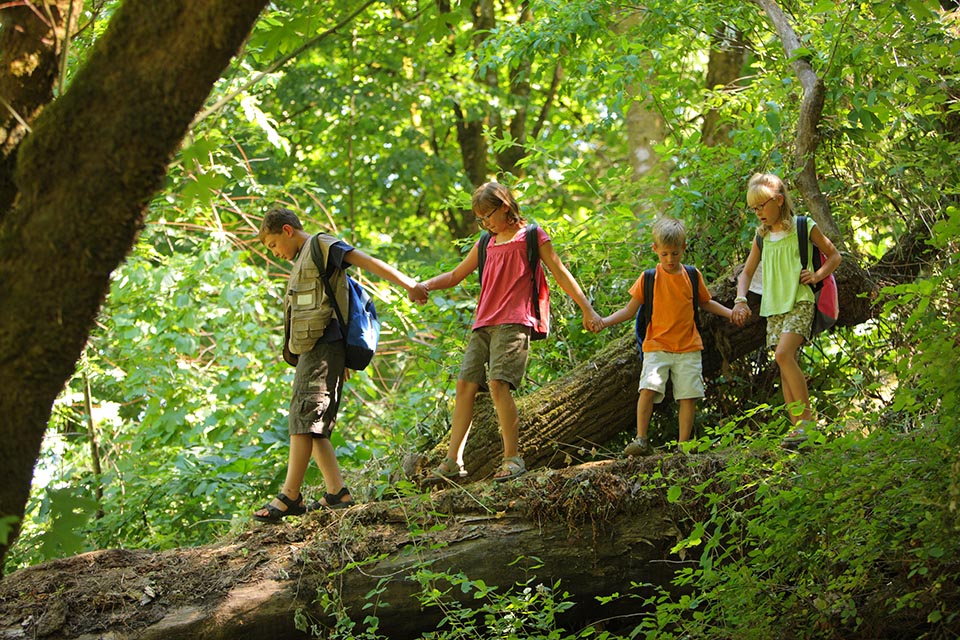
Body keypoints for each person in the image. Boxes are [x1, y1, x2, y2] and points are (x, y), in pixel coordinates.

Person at [410, 182, 603, 482]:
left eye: (488, 216)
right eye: (480, 219)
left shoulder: (532, 236)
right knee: (465, 385)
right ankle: (453, 460)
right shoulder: (486, 243)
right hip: (483, 323)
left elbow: (560, 272)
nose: (485, 223)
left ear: (504, 206)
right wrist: (424, 285)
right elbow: (456, 275)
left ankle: (513, 458)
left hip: (515, 320)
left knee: (498, 384)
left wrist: (587, 309)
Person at [253, 207, 428, 522]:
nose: (275, 252)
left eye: (273, 244)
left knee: (304, 418)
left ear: (287, 231)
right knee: (312, 422)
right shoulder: (302, 260)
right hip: (314, 350)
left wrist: (409, 284)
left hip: (323, 347)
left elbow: (365, 261)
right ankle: (337, 492)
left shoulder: (320, 245)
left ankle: (290, 496)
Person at [596, 217, 734, 456]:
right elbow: (629, 310)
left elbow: (706, 302)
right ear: (655, 250)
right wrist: (603, 321)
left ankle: (683, 445)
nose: (670, 259)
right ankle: (641, 440)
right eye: (665, 254)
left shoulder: (692, 275)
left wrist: (731, 313)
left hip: (688, 346)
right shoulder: (649, 278)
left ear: (684, 248)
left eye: (675, 254)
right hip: (656, 346)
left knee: (688, 396)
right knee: (647, 389)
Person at [730, 173, 841, 445]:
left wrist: (816, 275)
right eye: (753, 208)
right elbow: (746, 273)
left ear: (779, 200)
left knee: (783, 354)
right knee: (783, 362)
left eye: (762, 206)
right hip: (774, 308)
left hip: (800, 300)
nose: (758, 213)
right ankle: (797, 430)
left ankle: (807, 424)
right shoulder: (762, 237)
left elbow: (834, 256)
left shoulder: (803, 226)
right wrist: (740, 299)